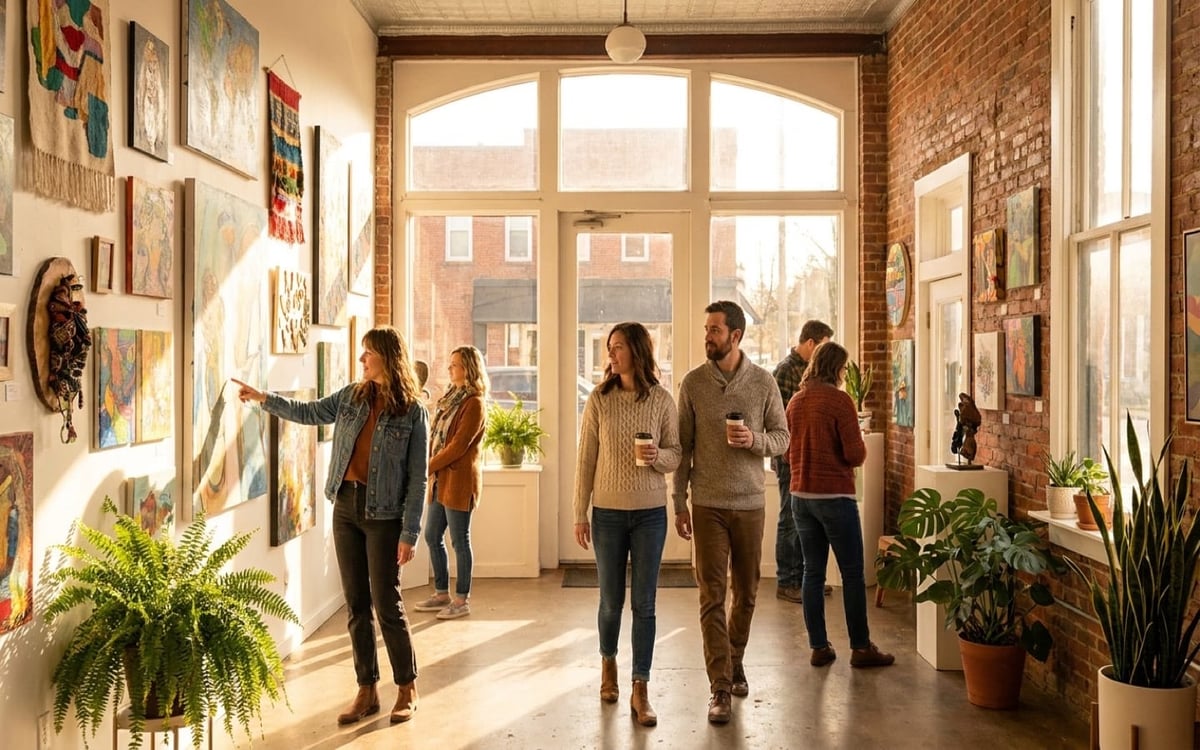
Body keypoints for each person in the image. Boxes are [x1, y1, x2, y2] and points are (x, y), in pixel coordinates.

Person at [232, 325, 429, 725]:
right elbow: (310, 412)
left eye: (368, 353)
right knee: (356, 605)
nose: (361, 359)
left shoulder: (412, 411)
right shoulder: (352, 397)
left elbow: (418, 479)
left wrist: (410, 533)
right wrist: (264, 398)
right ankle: (367, 689)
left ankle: (407, 687)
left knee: (387, 604)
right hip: (346, 508)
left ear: (388, 358)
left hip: (384, 517)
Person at [673, 300, 789, 724]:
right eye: (707, 329)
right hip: (707, 505)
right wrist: (679, 501)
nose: (707, 336)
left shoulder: (763, 382)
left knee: (748, 592)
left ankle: (734, 659)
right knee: (711, 595)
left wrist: (754, 441)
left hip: (750, 504)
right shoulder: (692, 383)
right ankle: (720, 686)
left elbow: (783, 438)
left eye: (715, 330)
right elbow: (683, 448)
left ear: (735, 336)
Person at [573, 322, 681, 727]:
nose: (611, 355)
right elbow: (586, 458)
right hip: (608, 515)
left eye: (617, 347)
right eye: (609, 348)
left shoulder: (662, 400)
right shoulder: (599, 399)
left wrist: (657, 457)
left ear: (636, 351)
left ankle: (641, 687)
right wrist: (579, 512)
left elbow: (676, 453)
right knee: (610, 601)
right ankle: (608, 666)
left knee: (645, 604)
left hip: (651, 514)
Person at [786, 341, 894, 670]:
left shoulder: (796, 401)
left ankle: (819, 647)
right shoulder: (840, 400)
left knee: (812, 572)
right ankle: (860, 647)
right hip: (835, 497)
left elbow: (787, 452)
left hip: (801, 497)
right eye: (845, 368)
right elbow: (855, 454)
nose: (846, 374)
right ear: (837, 368)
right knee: (851, 573)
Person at [414, 347, 488, 620]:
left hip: (459, 481)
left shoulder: (474, 403)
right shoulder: (449, 398)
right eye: (450, 363)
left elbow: (458, 446)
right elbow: (436, 437)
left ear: (468, 368)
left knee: (459, 540)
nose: (449, 369)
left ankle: (461, 600)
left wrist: (426, 467)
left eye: (454, 364)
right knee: (432, 535)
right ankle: (442, 593)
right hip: (440, 480)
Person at [770, 319, 833, 605]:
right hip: (789, 457)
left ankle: (805, 580)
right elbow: (783, 421)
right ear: (810, 343)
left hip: (802, 456)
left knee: (804, 520)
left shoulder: (805, 370)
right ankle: (787, 581)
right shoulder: (787, 370)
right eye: (822, 346)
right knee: (790, 519)